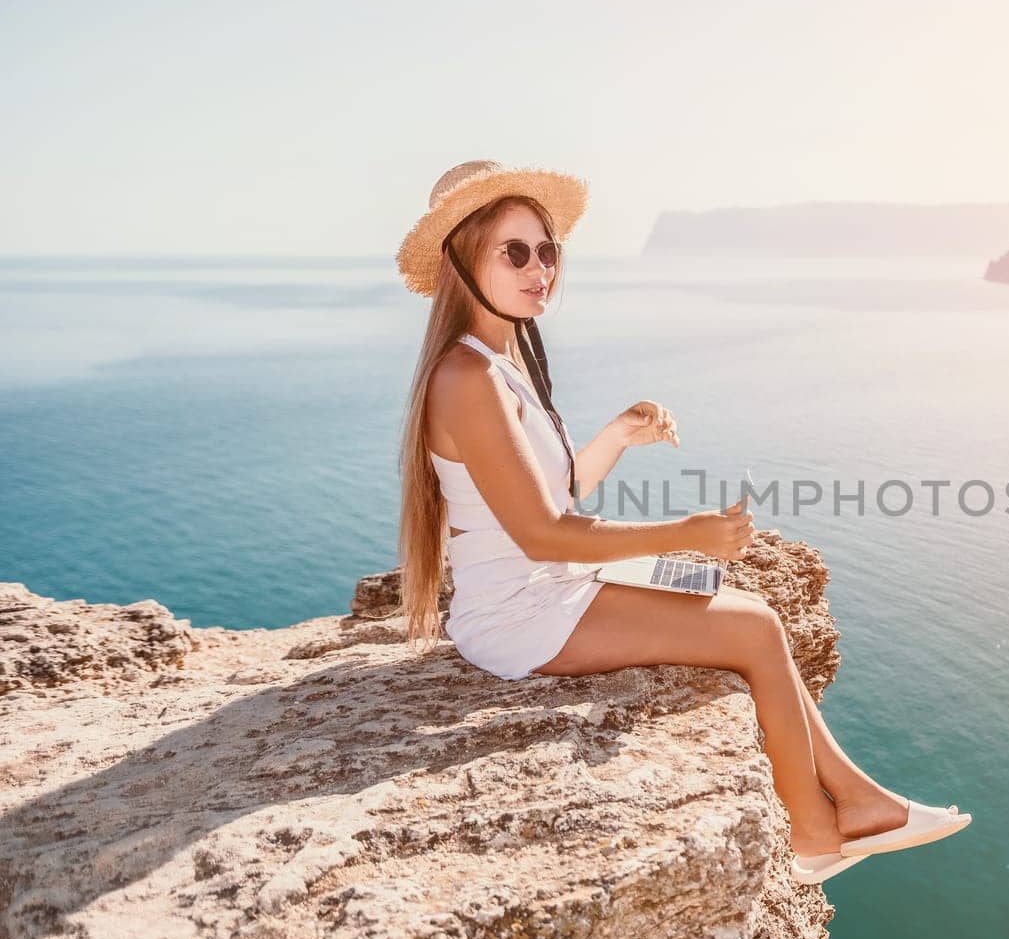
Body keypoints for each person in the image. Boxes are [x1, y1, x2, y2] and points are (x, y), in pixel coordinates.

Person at [394, 160, 970, 883]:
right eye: (515, 251)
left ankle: (854, 800)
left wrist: (618, 433)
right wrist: (685, 532)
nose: (539, 268)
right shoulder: (468, 377)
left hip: (548, 589)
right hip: (522, 614)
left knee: (752, 610)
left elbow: (552, 488)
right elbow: (541, 531)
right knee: (754, 630)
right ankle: (818, 828)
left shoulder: (501, 358)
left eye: (548, 250)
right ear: (462, 259)